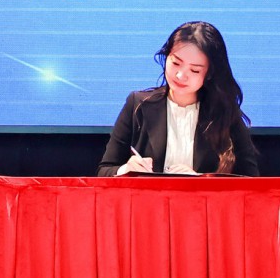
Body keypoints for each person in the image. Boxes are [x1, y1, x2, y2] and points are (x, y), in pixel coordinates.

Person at [98, 21, 260, 176]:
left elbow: (251, 181)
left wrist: (200, 181)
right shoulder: (138, 104)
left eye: (195, 70)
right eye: (175, 63)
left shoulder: (225, 112)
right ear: (166, 56)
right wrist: (125, 169)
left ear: (209, 74)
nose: (181, 75)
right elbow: (105, 170)